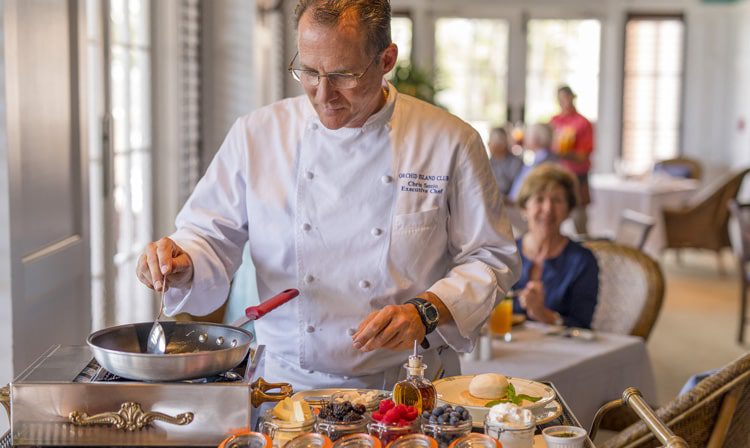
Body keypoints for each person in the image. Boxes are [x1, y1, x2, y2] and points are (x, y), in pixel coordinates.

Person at [135, 0, 520, 391]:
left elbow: (492, 257)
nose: (323, 94)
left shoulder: (449, 141)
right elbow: (208, 238)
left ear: (386, 60)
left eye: (343, 75)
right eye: (309, 71)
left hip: (407, 384)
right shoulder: (257, 135)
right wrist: (184, 262)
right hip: (284, 387)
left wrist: (428, 310)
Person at [512, 164, 599, 328]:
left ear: (568, 211)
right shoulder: (505, 254)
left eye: (557, 200)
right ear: (525, 208)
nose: (548, 209)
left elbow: (582, 326)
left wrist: (543, 314)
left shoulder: (582, 262)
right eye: (539, 199)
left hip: (563, 352)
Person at [549, 85, 594, 236]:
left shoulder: (582, 123)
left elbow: (583, 155)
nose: (565, 102)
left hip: (577, 176)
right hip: (558, 174)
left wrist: (563, 154)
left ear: (573, 98)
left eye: (567, 98)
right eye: (561, 99)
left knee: (579, 219)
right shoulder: (554, 121)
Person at [508, 123, 557, 201]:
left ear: (536, 139)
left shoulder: (543, 162)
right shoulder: (538, 158)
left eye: (527, 135)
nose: (525, 139)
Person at [488, 127, 523, 197]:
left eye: (492, 142)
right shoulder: (489, 162)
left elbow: (506, 186)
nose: (488, 145)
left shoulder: (515, 162)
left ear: (502, 145)